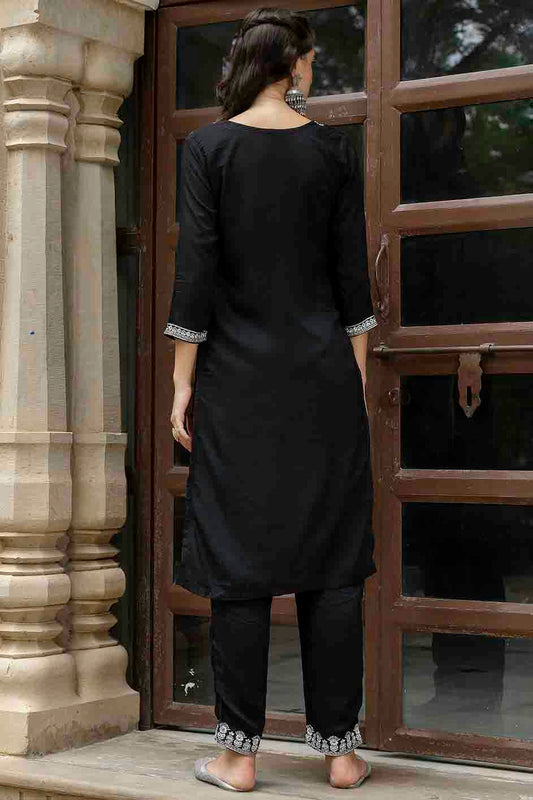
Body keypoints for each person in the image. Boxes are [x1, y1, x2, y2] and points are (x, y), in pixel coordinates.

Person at [164, 6, 377, 791]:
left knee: (238, 564)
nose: (314, 70)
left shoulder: (208, 149)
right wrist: (353, 376)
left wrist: (181, 382)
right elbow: (351, 280)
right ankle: (341, 754)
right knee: (333, 563)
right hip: (323, 380)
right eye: (311, 59)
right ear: (292, 65)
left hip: (236, 387)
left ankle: (237, 756)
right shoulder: (330, 150)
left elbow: (197, 272)